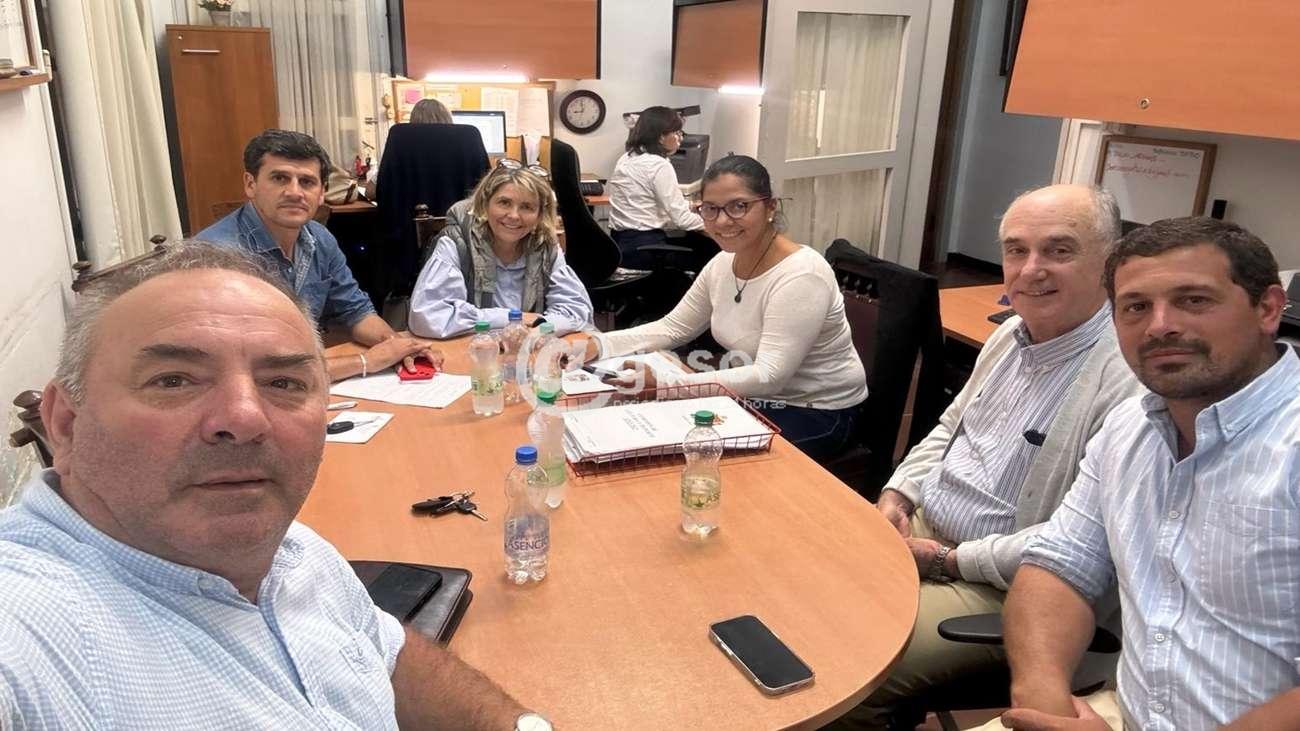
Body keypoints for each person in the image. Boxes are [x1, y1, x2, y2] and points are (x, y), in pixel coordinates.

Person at [0, 243, 552, 730]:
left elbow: (385, 655)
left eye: (283, 382)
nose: (245, 417)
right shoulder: (30, 641)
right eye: (174, 380)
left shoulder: (294, 550)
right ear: (65, 423)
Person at [832, 185, 1144, 729]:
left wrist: (945, 561)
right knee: (794, 590)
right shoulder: (1010, 337)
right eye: (1017, 250)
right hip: (926, 533)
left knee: (843, 669)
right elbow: (949, 428)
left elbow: (1077, 545)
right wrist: (899, 494)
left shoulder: (1129, 380)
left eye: (1059, 250)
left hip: (1010, 587)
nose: (1031, 269)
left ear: (1110, 261)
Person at [973, 218, 1300, 731]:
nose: (1159, 326)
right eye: (1135, 307)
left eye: (1194, 300)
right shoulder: (1130, 426)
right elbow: (1060, 565)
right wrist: (1043, 701)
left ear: (1268, 309)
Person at [591, 154, 867, 462]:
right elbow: (673, 327)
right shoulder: (723, 263)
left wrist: (665, 385)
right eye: (710, 209)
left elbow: (770, 376)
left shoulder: (802, 275)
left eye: (738, 206)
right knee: (654, 430)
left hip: (816, 410)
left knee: (696, 455)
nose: (722, 221)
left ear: (771, 207)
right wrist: (598, 344)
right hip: (756, 397)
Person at [198, 128, 441, 382]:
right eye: (280, 178)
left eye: (307, 182)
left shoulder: (320, 238)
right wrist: (365, 362)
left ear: (322, 192)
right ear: (251, 184)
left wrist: (399, 347)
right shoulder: (217, 257)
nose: (295, 192)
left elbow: (356, 311)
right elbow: (246, 367)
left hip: (306, 375)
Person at [408, 161, 594, 338]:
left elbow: (577, 310)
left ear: (539, 215)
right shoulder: (457, 242)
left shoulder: (546, 246)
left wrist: (541, 327)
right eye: (504, 203)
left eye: (527, 207)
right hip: (474, 350)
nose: (514, 215)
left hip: (527, 350)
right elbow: (427, 316)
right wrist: (513, 319)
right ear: (485, 204)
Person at [607, 106, 710, 270]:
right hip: (645, 249)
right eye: (677, 133)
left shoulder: (626, 158)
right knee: (708, 254)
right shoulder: (659, 165)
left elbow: (646, 203)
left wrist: (690, 206)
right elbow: (682, 220)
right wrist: (712, 224)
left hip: (621, 245)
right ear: (661, 137)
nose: (680, 138)